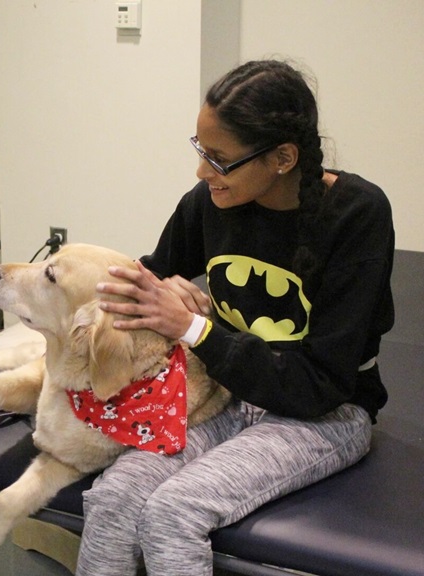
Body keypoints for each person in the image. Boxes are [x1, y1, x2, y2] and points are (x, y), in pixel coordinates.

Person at [85, 59, 395, 575]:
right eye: (201, 151)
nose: (203, 172)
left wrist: (194, 328)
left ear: (282, 157)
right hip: (229, 393)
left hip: (323, 413)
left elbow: (319, 384)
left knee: (172, 511)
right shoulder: (208, 202)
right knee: (114, 497)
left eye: (220, 159)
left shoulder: (356, 215)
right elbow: (140, 282)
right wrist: (157, 290)